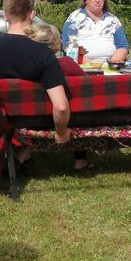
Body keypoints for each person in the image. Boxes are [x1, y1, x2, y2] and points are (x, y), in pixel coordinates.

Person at [0, 0, 71, 152]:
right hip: (32, 122)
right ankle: (24, 155)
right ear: (31, 14)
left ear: (5, 15)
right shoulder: (44, 54)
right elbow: (60, 106)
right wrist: (61, 133)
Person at [25, 22, 91, 170]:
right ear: (55, 43)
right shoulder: (67, 63)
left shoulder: (25, 67)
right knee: (77, 107)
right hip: (67, 118)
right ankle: (80, 160)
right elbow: (87, 86)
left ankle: (24, 154)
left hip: (31, 118)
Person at [61, 0, 129, 64]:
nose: (97, 0)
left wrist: (113, 62)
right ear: (86, 0)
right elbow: (66, 44)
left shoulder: (113, 20)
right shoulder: (74, 18)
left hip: (109, 65)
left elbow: (123, 46)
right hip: (81, 65)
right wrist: (84, 62)